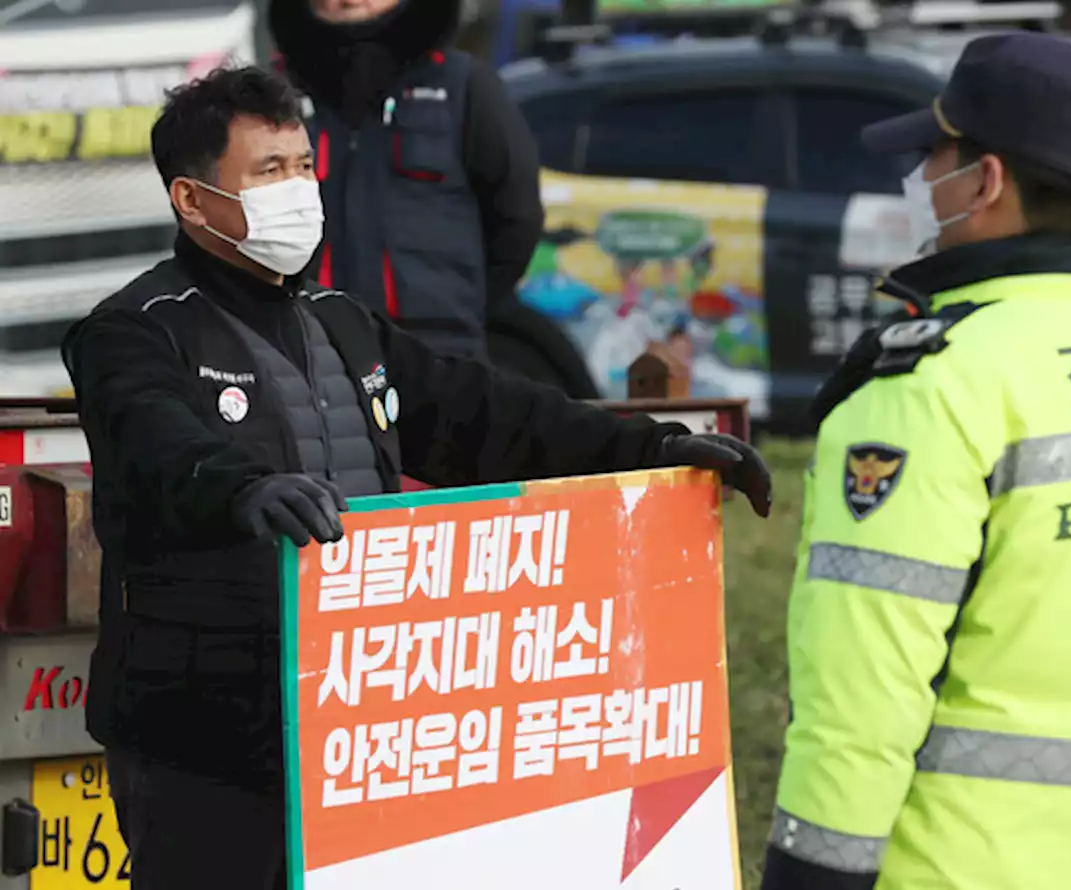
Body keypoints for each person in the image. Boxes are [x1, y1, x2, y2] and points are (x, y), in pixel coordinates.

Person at [61, 65, 771, 890]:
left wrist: (654, 451)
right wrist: (243, 490)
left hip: (357, 734)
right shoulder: (132, 332)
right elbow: (157, 441)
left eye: (301, 168)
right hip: (204, 744)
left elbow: (495, 417)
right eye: (267, 172)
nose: (296, 190)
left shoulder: (342, 324)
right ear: (192, 199)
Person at [761, 33, 1071, 890]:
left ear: (982, 183)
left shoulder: (928, 388)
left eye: (931, 156)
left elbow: (861, 697)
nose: (918, 181)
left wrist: (811, 876)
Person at [266, 0, 542, 360]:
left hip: (440, 356)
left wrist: (455, 306)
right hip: (309, 352)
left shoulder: (464, 87)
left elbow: (516, 221)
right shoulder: (269, 98)